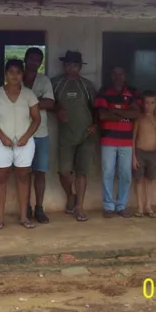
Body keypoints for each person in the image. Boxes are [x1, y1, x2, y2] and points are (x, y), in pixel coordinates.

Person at [0, 59, 41, 230]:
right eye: (11, 72)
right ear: (6, 74)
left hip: (24, 142)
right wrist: (2, 137)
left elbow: (36, 119)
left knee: (23, 177)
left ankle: (24, 217)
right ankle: (0, 218)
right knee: (1, 177)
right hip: (0, 142)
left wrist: (26, 136)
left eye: (18, 72)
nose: (14, 76)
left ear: (22, 74)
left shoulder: (29, 94)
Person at [51, 50, 97, 222]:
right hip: (66, 135)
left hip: (86, 135)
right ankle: (70, 195)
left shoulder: (87, 85)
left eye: (75, 65)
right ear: (64, 65)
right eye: (68, 65)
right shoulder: (56, 83)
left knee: (82, 172)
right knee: (64, 171)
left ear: (80, 67)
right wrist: (58, 110)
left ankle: (80, 207)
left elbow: (97, 107)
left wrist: (95, 124)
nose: (71, 68)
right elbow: (49, 102)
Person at [95, 66, 141, 218]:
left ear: (125, 75)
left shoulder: (132, 92)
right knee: (107, 172)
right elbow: (102, 115)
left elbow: (136, 113)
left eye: (120, 74)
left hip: (126, 141)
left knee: (125, 174)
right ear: (111, 75)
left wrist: (114, 111)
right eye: (115, 74)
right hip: (108, 139)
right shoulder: (104, 91)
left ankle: (121, 205)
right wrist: (125, 114)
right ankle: (108, 206)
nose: (118, 77)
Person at [23, 47, 54, 224]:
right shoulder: (17, 78)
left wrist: (28, 104)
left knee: (40, 172)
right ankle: (25, 206)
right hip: (20, 133)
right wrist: (37, 102)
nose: (34, 62)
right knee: (24, 172)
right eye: (32, 59)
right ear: (26, 59)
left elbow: (49, 102)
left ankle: (39, 208)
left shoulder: (44, 80)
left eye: (38, 59)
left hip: (41, 133)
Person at [132, 91, 156, 218]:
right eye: (146, 103)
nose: (149, 106)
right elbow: (133, 138)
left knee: (150, 181)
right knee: (139, 180)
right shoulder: (139, 118)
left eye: (152, 103)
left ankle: (148, 206)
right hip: (139, 152)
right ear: (142, 104)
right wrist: (133, 157)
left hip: (153, 153)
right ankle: (139, 207)